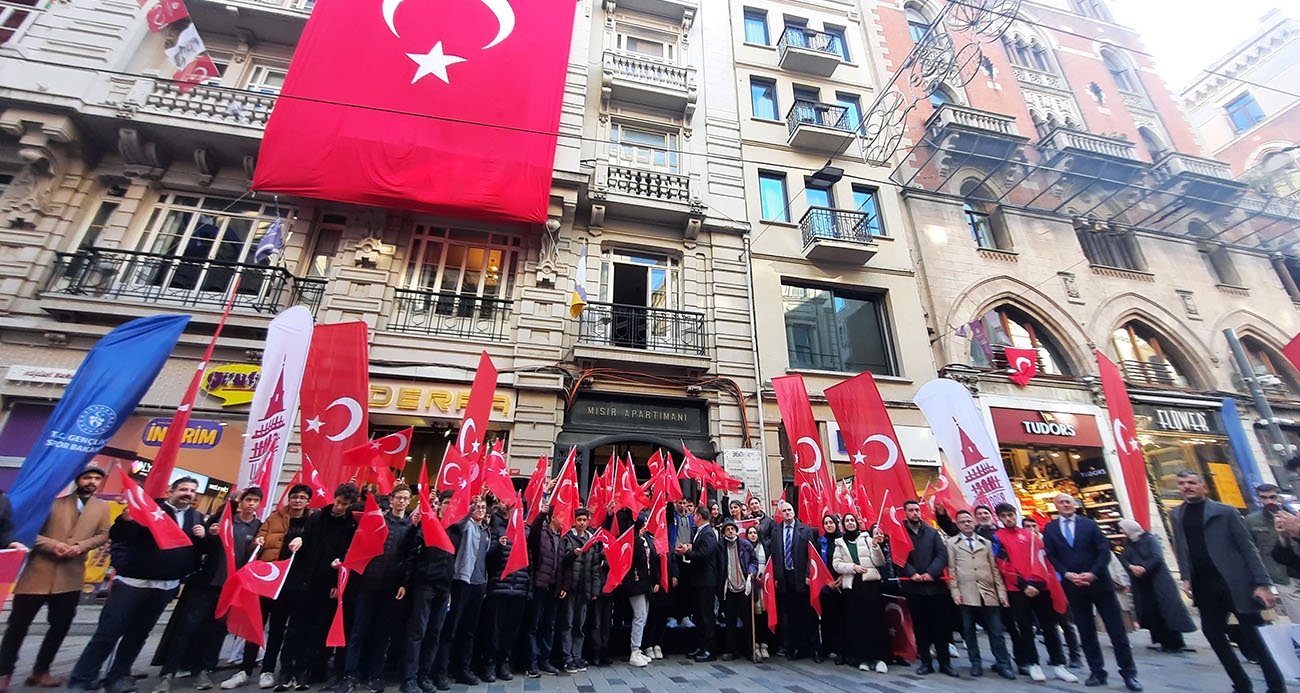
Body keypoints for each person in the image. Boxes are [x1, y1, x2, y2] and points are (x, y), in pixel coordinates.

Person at [68, 477, 206, 693]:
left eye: (192, 491)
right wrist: (125, 521)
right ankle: (82, 679)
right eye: (183, 489)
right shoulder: (150, 509)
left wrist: (204, 538)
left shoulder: (195, 517)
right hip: (133, 583)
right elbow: (119, 536)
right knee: (108, 633)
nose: (188, 494)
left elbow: (196, 550)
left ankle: (118, 676)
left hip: (165, 586)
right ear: (171, 491)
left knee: (138, 635)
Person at [1169, 470, 1284, 693]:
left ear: (1203, 486)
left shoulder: (1226, 512)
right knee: (1212, 633)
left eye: (1192, 482)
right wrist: (1185, 577)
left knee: (1254, 636)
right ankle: (1241, 685)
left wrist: (1262, 583)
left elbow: (1248, 549)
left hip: (1235, 582)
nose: (1186, 487)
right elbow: (1182, 549)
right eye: (1182, 483)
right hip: (1204, 585)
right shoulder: (1176, 514)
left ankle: (1276, 686)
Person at [0, 466, 109, 690]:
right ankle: (4, 672)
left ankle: (41, 670)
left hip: (70, 577)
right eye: (87, 477)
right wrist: (53, 545)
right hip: (38, 573)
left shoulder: (102, 507)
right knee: (17, 626)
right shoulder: (54, 502)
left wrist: (80, 547)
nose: (92, 482)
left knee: (60, 627)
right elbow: (29, 532)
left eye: (97, 478)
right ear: (78, 480)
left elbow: (103, 534)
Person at [155, 486, 264, 692]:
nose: (250, 504)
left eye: (255, 501)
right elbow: (202, 547)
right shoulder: (223, 521)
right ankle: (168, 671)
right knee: (188, 627)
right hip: (208, 584)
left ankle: (204, 669)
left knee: (217, 630)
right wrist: (208, 535)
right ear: (240, 502)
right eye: (247, 499)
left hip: (232, 589)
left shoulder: (258, 527)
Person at [1042, 493, 1140, 691]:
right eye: (1061, 502)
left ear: (1075, 504)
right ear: (1056, 507)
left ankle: (1128, 674)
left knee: (1117, 631)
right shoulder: (1051, 529)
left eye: (1068, 501)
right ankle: (1097, 671)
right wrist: (1066, 574)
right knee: (1086, 632)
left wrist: (1093, 573)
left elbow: (1104, 550)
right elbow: (1051, 554)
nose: (1065, 505)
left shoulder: (1089, 524)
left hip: (1099, 584)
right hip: (1073, 586)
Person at [276, 483, 360, 691]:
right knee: (295, 627)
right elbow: (305, 537)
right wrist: (299, 540)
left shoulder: (350, 525)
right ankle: (286, 670)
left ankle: (304, 670)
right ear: (335, 498)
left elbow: (347, 552)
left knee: (317, 629)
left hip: (327, 582)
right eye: (339, 503)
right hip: (305, 578)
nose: (340, 507)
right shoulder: (317, 517)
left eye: (345, 505)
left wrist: (337, 578)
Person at [340, 484, 416, 693]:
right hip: (368, 583)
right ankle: (350, 674)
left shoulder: (410, 527)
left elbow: (410, 557)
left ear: (409, 502)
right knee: (359, 631)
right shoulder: (377, 520)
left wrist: (404, 583)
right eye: (398, 497)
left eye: (405, 498)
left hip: (391, 587)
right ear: (391, 499)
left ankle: (375, 674)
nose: (402, 501)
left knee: (382, 633)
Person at [993, 504, 1076, 684]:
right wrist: (1024, 585)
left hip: (1040, 588)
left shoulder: (1032, 536)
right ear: (999, 518)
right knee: (1025, 627)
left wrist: (1037, 583)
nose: (1008, 519)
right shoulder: (997, 538)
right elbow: (1003, 565)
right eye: (1004, 516)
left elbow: (1042, 559)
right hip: (1017, 590)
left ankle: (1058, 664)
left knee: (1050, 626)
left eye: (1011, 515)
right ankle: (1033, 663)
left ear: (1016, 515)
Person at [241, 483, 309, 690]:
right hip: (269, 578)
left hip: (291, 583)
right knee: (256, 624)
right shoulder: (275, 517)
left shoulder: (312, 521)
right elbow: (257, 539)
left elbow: (315, 545)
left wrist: (303, 540)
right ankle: (245, 668)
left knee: (278, 628)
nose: (297, 501)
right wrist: (258, 541)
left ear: (308, 501)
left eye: (302, 498)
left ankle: (268, 669)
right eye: (294, 496)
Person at [946, 509, 1015, 680]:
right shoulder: (952, 543)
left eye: (969, 521)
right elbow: (951, 570)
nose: (967, 524)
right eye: (962, 522)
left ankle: (1003, 663)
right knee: (969, 631)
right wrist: (954, 591)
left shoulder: (985, 543)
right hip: (966, 593)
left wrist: (1002, 593)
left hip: (988, 592)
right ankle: (975, 663)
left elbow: (995, 570)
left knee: (996, 631)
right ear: (957, 524)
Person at [433, 496, 491, 689]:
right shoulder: (466, 526)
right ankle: (441, 670)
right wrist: (470, 506)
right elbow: (461, 521)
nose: (480, 510)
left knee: (469, 630)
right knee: (451, 628)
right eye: (477, 507)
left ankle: (463, 668)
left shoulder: (486, 530)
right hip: (461, 581)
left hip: (479, 583)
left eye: (483, 507)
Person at [402, 489, 453, 693]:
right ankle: (409, 678)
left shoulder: (456, 529)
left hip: (444, 586)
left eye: (453, 503)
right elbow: (411, 554)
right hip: (425, 585)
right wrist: (406, 582)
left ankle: (425, 674)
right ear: (439, 504)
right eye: (446, 502)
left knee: (434, 632)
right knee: (417, 632)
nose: (450, 506)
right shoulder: (428, 524)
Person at [1117, 519, 1194, 654]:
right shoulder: (1128, 543)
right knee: (1151, 612)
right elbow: (1124, 558)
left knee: (1167, 611)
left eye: (1123, 529)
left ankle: (1174, 643)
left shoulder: (1150, 539)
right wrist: (1131, 567)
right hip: (1143, 584)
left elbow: (1157, 556)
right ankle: (1161, 640)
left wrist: (1143, 568)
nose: (1122, 532)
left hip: (1159, 582)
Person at [898, 499, 956, 677]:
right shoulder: (900, 533)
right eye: (911, 510)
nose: (915, 513)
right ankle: (925, 662)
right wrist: (912, 573)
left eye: (917, 510)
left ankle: (945, 662)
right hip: (914, 588)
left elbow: (941, 555)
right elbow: (899, 556)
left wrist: (931, 573)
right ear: (905, 513)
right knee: (920, 627)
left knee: (940, 627)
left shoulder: (932, 533)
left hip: (935, 587)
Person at [477, 497, 530, 683]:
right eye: (505, 502)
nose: (508, 505)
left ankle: (504, 661)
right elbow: (487, 558)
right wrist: (499, 546)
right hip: (498, 587)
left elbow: (530, 559)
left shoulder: (525, 530)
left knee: (511, 629)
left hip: (519, 587)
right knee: (493, 629)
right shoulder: (494, 526)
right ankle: (489, 663)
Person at [830, 512, 887, 673]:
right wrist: (852, 568)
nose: (849, 523)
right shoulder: (839, 543)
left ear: (856, 522)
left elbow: (879, 562)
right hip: (853, 586)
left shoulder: (867, 538)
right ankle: (862, 658)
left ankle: (879, 658)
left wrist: (876, 547)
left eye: (852, 520)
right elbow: (836, 564)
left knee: (875, 622)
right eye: (846, 521)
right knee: (858, 623)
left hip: (870, 585)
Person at [1245, 483, 1300, 621]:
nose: (1269, 501)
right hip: (1279, 574)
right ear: (1259, 499)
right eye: (1264, 498)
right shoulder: (1252, 521)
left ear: (1279, 498)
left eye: (1272, 497)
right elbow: (1250, 550)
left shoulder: (1293, 517)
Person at [769, 501, 817, 660]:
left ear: (794, 512)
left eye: (790, 510)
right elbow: (775, 556)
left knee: (807, 614)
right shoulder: (776, 531)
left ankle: (813, 648)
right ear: (781, 514)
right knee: (791, 615)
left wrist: (809, 575)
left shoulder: (805, 530)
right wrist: (776, 577)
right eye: (784, 511)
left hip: (802, 578)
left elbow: (811, 555)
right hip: (785, 578)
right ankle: (795, 648)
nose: (787, 513)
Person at [524, 485, 562, 678]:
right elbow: (533, 535)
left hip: (553, 588)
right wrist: (541, 512)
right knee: (534, 625)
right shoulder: (542, 533)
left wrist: (561, 584)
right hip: (539, 586)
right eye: (561, 514)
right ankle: (531, 662)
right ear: (553, 517)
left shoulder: (559, 538)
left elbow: (561, 563)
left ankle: (545, 660)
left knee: (549, 625)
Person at [558, 507, 601, 674]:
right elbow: (564, 560)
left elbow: (595, 568)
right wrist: (573, 555)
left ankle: (577, 655)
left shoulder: (592, 541)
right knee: (567, 623)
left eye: (584, 520)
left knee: (579, 625)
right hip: (571, 587)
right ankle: (566, 657)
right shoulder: (568, 538)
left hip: (585, 588)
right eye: (579, 520)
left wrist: (595, 590)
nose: (582, 523)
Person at [678, 504, 720, 661]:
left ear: (699, 516)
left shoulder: (708, 533)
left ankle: (709, 649)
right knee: (699, 616)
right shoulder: (699, 532)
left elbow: (704, 554)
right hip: (698, 580)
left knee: (707, 616)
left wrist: (687, 552)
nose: (692, 517)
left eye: (694, 515)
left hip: (706, 581)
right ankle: (701, 646)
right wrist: (690, 548)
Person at [622, 512, 660, 666]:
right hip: (635, 584)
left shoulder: (644, 541)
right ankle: (634, 650)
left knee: (643, 617)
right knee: (639, 616)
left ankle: (638, 649)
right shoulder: (634, 542)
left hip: (645, 584)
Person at [717, 520, 755, 662]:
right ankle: (731, 650)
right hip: (729, 588)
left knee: (747, 620)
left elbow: (754, 561)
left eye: (733, 528)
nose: (731, 531)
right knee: (730, 621)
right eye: (728, 529)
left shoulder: (745, 545)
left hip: (744, 587)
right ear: (724, 532)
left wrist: (751, 572)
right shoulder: (720, 547)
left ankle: (750, 650)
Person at [817, 514, 843, 664]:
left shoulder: (842, 540)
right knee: (826, 619)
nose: (829, 525)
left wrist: (841, 577)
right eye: (826, 523)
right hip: (825, 585)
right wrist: (826, 580)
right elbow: (816, 562)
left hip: (841, 584)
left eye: (831, 522)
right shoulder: (821, 541)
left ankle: (840, 650)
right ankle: (827, 648)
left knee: (840, 619)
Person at [746, 525, 773, 661]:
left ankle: (764, 645)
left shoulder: (765, 548)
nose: (752, 535)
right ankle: (754, 645)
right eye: (750, 533)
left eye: (754, 533)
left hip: (765, 586)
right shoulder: (744, 548)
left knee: (764, 617)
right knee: (754, 617)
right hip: (751, 587)